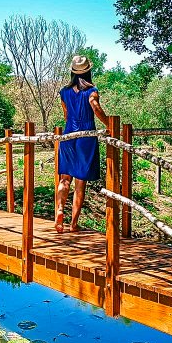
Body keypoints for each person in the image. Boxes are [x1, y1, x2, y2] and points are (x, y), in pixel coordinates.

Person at [55, 55, 109, 233]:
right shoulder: (92, 90)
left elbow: (66, 116)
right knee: (80, 183)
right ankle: (73, 224)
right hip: (86, 137)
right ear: (89, 71)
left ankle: (60, 211)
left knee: (64, 178)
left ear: (72, 71)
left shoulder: (64, 92)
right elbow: (95, 106)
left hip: (68, 135)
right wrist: (110, 125)